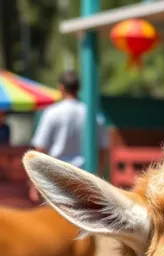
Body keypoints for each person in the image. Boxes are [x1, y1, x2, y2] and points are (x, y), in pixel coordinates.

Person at [30, 70, 107, 201]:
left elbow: (40, 148)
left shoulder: (51, 112)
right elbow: (103, 149)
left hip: (56, 178)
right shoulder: (94, 115)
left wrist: (35, 183)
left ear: (61, 87)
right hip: (85, 178)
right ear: (79, 88)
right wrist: (97, 175)